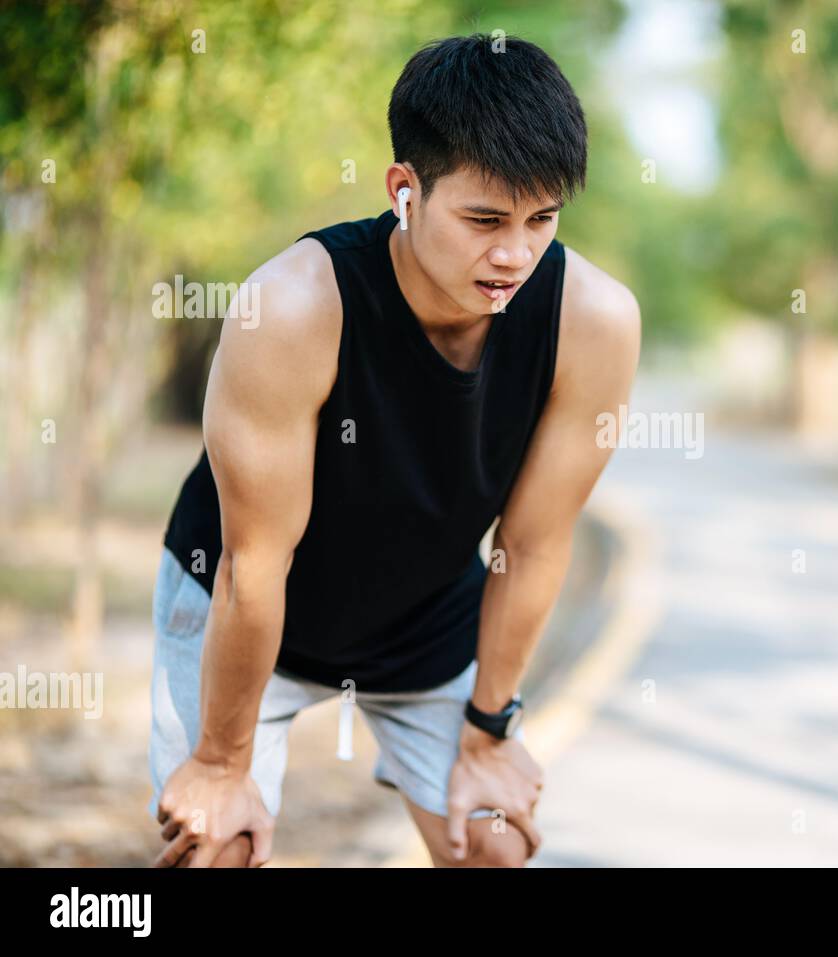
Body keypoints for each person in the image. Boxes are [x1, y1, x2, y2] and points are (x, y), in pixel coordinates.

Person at [147, 33, 640, 868]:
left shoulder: (592, 321)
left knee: (494, 843)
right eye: (484, 219)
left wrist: (489, 732)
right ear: (405, 191)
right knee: (214, 849)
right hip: (243, 606)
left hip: (425, 622)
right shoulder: (294, 307)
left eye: (541, 220)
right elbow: (252, 565)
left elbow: (533, 544)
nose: (515, 253)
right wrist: (221, 763)